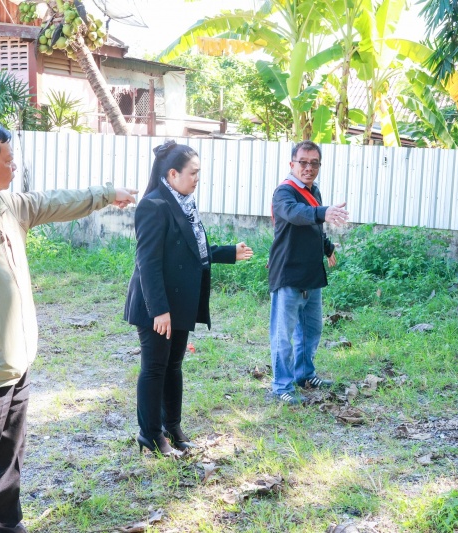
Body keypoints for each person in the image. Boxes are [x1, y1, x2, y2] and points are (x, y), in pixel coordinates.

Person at [0, 120, 138, 533]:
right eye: (8, 161)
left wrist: (107, 194)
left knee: (7, 465)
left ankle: (6, 526)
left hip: (16, 366)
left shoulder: (6, 206)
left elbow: (54, 202)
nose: (14, 167)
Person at [123, 140, 253, 457]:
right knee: (155, 368)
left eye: (198, 172)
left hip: (179, 302)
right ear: (172, 174)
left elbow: (192, 249)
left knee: (174, 366)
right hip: (157, 305)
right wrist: (159, 310)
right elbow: (147, 262)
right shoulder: (153, 205)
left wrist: (228, 253)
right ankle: (150, 434)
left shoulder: (184, 203)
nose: (197, 178)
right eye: (192, 173)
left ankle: (172, 427)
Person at [267, 140, 350, 405]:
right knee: (283, 335)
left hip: (311, 273)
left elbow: (314, 227)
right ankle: (281, 386)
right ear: (292, 164)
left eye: (314, 163)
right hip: (288, 273)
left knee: (312, 330)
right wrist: (324, 212)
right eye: (303, 162)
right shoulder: (284, 192)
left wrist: (327, 247)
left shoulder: (314, 191)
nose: (308, 168)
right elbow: (296, 214)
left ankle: (304, 375)